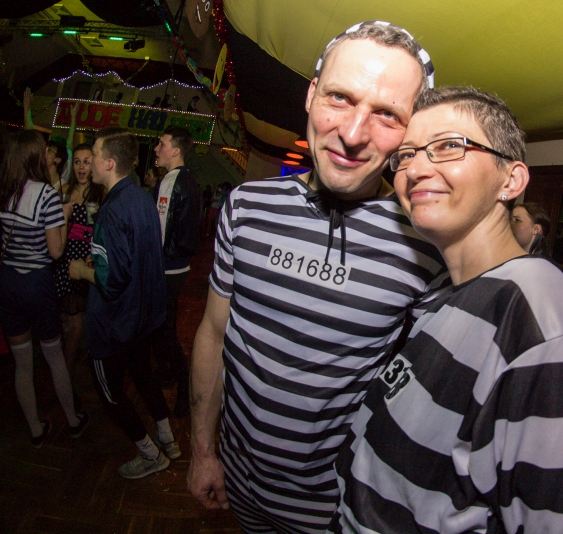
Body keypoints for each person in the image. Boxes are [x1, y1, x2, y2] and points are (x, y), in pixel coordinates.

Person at [186, 21, 446, 533]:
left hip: (336, 508)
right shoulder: (245, 207)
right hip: (236, 480)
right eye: (340, 98)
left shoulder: (427, 249)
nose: (352, 133)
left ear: (412, 131)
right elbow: (214, 334)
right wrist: (202, 451)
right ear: (311, 95)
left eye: (387, 114)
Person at [330, 85, 563, 533]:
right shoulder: (447, 293)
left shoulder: (540, 309)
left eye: (448, 146)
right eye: (405, 155)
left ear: (511, 181)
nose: (415, 169)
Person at [68, 127, 178, 479]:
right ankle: (168, 439)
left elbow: (112, 280)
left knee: (109, 389)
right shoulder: (142, 197)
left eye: (95, 156)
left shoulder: (112, 210)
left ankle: (150, 454)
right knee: (143, 375)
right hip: (142, 316)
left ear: (109, 163)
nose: (90, 163)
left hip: (115, 321)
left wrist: (82, 271)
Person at [0, 130, 88, 447]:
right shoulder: (47, 196)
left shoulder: (5, 190)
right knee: (53, 356)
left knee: (22, 363)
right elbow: (55, 251)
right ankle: (73, 421)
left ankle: (36, 430)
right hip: (36, 283)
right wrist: (62, 219)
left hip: (8, 281)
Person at [150, 125, 204, 418]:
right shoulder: (189, 180)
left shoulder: (171, 181)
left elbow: (161, 234)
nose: (157, 148)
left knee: (164, 332)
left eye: (162, 143)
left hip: (167, 268)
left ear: (176, 150)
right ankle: (169, 374)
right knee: (163, 327)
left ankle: (184, 387)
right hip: (179, 265)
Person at [53, 143, 105, 372]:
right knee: (64, 320)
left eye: (86, 162)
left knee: (75, 321)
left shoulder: (100, 193)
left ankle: (65, 373)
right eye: (77, 162)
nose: (81, 167)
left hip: (85, 261)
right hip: (62, 259)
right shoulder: (64, 191)